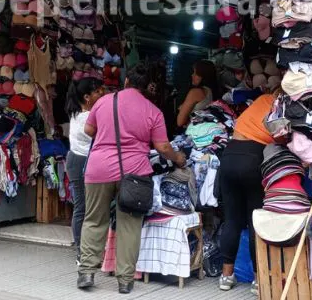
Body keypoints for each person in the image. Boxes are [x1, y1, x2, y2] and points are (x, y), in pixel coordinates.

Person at [77, 65, 186, 294]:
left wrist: (108, 135)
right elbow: (163, 147)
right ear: (147, 88)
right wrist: (178, 158)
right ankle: (125, 280)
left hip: (99, 170)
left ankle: (87, 272)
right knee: (129, 226)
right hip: (134, 173)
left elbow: (88, 130)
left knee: (94, 220)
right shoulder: (153, 110)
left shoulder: (104, 101)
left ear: (126, 81)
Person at [218, 92, 276, 294]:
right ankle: (258, 280)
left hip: (230, 155)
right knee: (255, 219)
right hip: (253, 158)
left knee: (232, 219)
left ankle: (226, 276)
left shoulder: (263, 99)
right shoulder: (283, 106)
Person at [65, 77, 105, 263]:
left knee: (87, 207)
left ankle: (90, 249)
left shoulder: (81, 112)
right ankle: (82, 253)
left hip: (79, 160)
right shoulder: (86, 117)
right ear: (87, 97)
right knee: (82, 208)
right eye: (98, 91)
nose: (102, 93)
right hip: (80, 161)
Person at [176, 60, 222, 128]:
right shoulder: (213, 91)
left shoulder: (196, 92)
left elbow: (180, 122)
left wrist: (182, 108)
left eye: (195, 73)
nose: (192, 75)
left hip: (194, 132)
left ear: (203, 76)